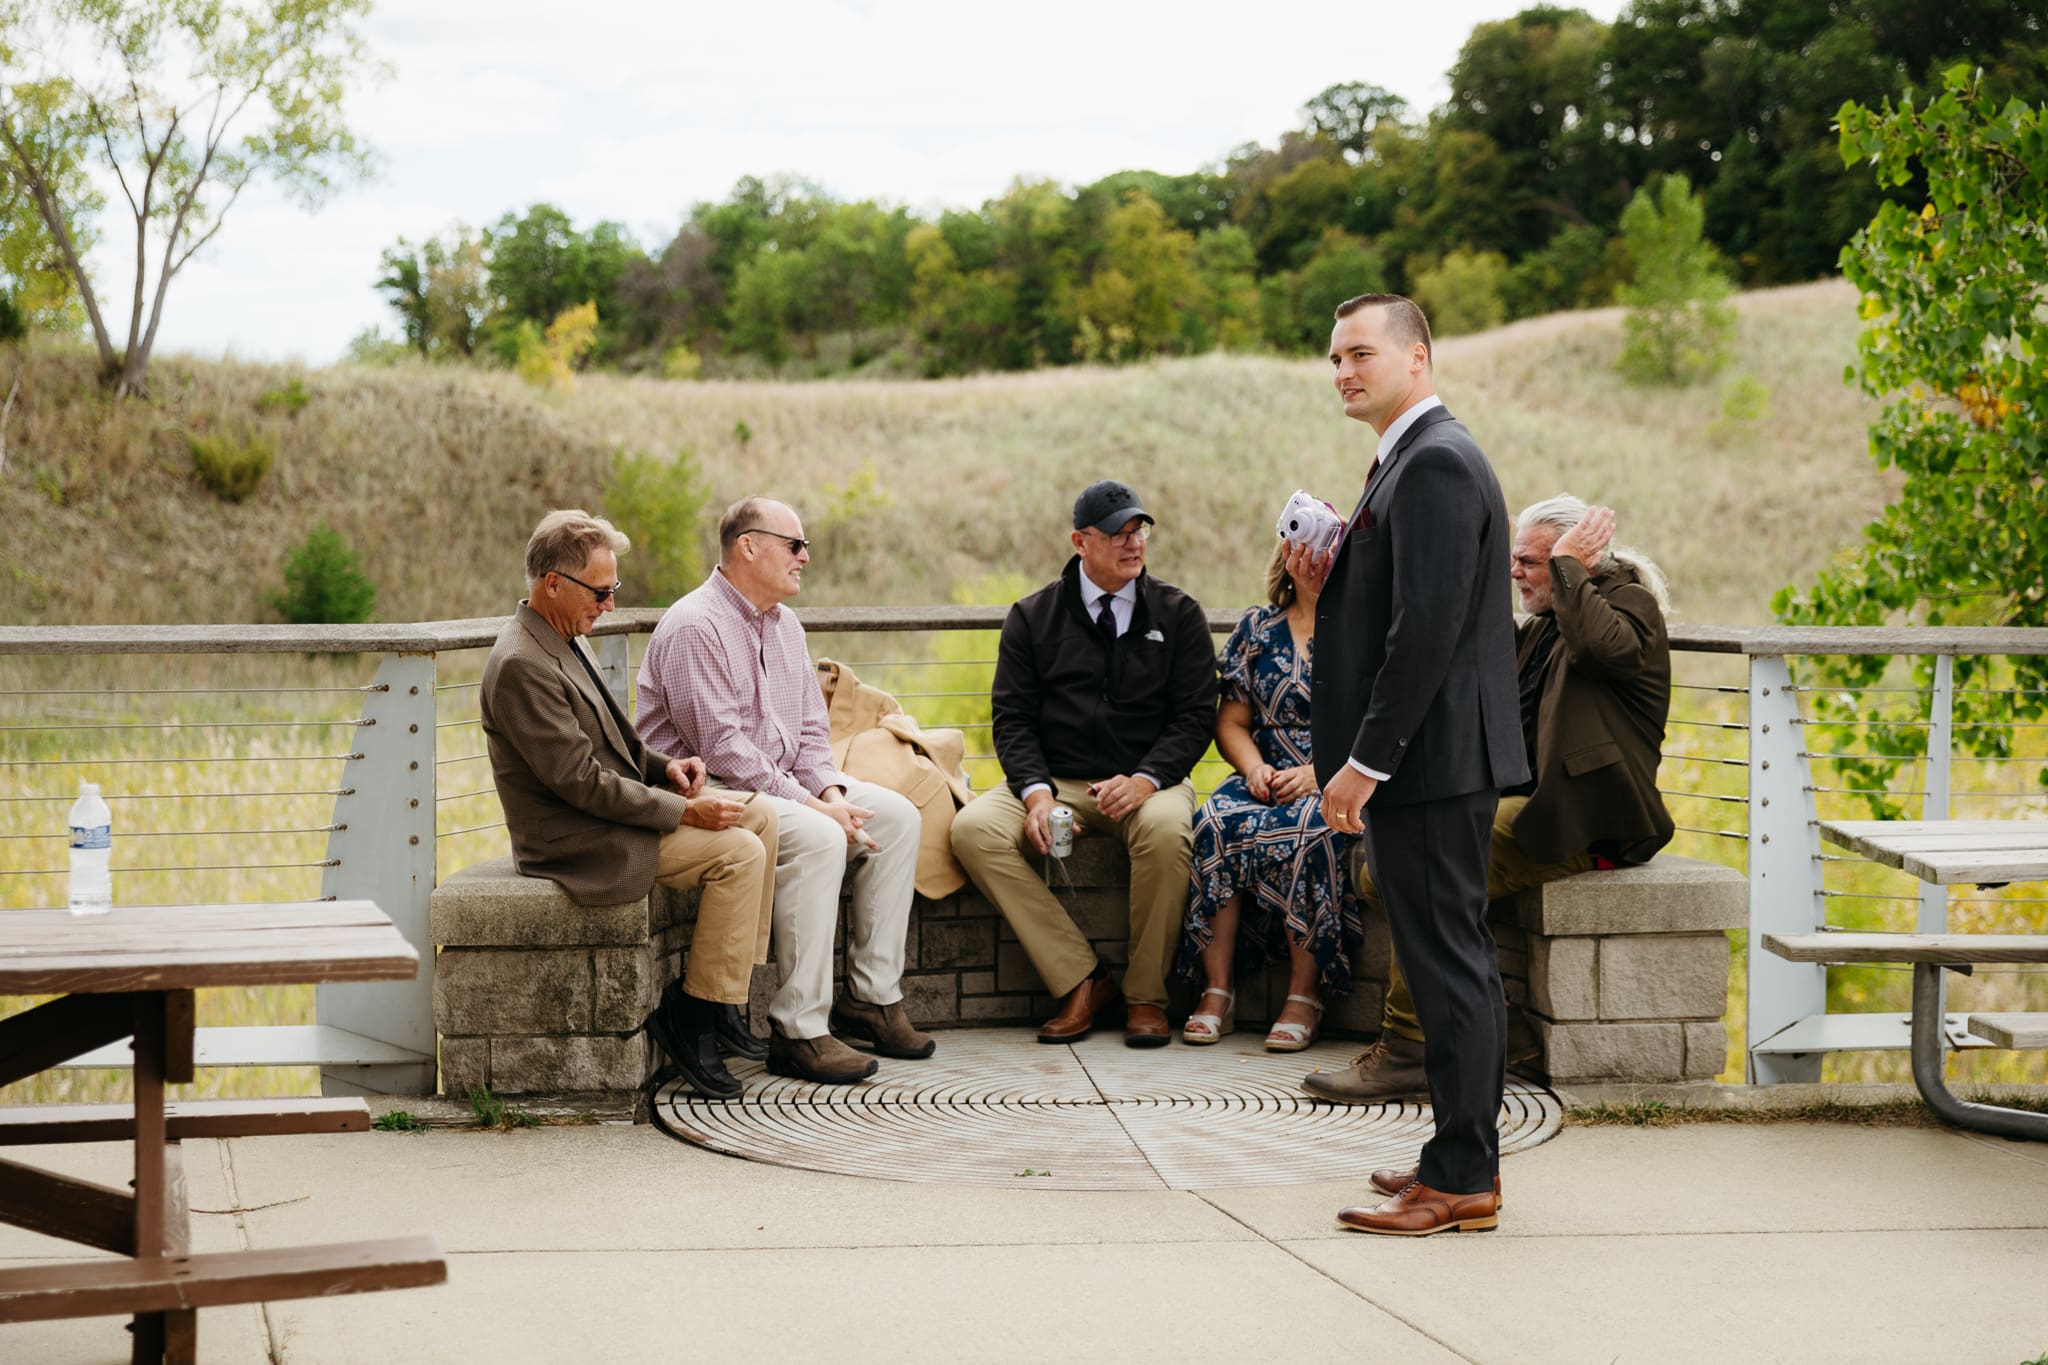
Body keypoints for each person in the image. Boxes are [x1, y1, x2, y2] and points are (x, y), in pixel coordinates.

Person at [1304, 495, 1675, 1116]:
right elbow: (1451, 638)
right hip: (1529, 804)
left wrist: (1566, 569)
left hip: (1588, 822)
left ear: (1576, 559)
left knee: (1423, 869)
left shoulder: (1625, 606)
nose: (1516, 572)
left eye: (1531, 561)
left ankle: (1409, 1049)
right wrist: (1339, 585)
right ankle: (1498, 1025)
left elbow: (1600, 652)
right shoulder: (1542, 630)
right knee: (1386, 870)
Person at [1311, 294, 1529, 1237]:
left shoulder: (1435, 460)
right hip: (1430, 763)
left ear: (1419, 355)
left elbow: (1425, 634)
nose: (1343, 371)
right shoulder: (1409, 455)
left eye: (1360, 353)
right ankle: (1451, 1157)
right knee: (1444, 962)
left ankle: (1465, 1181)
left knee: (1451, 966)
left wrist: (1364, 762)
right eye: (1333, 358)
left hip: (1431, 763)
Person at [479, 510, 778, 1102]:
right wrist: (684, 811)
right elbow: (580, 782)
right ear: (553, 583)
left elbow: (615, 744)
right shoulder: (521, 664)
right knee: (740, 852)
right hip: (575, 837)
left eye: (614, 589)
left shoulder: (561, 635)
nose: (610, 604)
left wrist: (667, 769)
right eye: (602, 590)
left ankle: (724, 998)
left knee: (761, 814)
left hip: (605, 814)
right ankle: (693, 1016)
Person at [635, 496, 931, 1086]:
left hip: (777, 785)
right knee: (822, 835)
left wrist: (831, 790)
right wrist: (814, 806)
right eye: (795, 545)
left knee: (898, 816)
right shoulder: (697, 625)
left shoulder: (784, 625)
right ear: (749, 546)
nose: (806, 557)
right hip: (710, 793)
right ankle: (799, 1030)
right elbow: (723, 750)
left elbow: (811, 734)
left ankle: (871, 997)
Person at [951, 480, 1218, 1047]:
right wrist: (1036, 793)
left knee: (1170, 831)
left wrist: (1146, 779)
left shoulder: (1178, 613)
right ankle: (1083, 978)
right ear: (1080, 541)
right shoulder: (1031, 617)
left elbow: (1195, 717)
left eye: (1138, 531)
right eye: (1118, 534)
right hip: (1057, 782)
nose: (1134, 544)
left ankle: (1147, 998)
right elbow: (1013, 718)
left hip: (1150, 781)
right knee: (972, 830)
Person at [1178, 530, 1359, 1050]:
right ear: (1287, 558)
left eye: (1328, 553)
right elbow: (1231, 722)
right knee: (1213, 822)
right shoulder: (1257, 629)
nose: (1316, 563)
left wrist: (1321, 772)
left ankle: (1304, 996)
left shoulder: (1366, 630)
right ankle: (1217, 991)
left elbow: (1380, 723)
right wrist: (1254, 768)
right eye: (1305, 553)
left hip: (1338, 779)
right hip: (1267, 775)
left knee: (1311, 832)